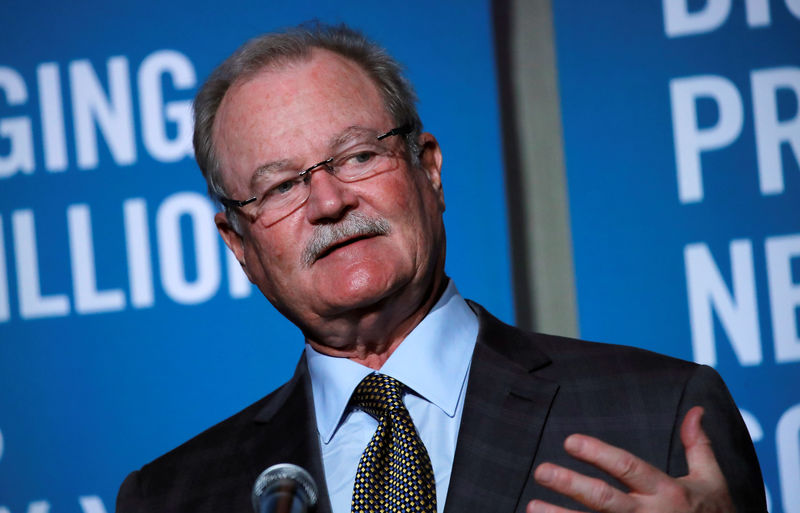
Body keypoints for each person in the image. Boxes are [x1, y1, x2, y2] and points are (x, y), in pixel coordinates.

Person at [116, 23, 766, 513]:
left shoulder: (658, 412)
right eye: (280, 187)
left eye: (358, 155)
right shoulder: (174, 496)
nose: (328, 201)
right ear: (237, 243)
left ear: (428, 167)